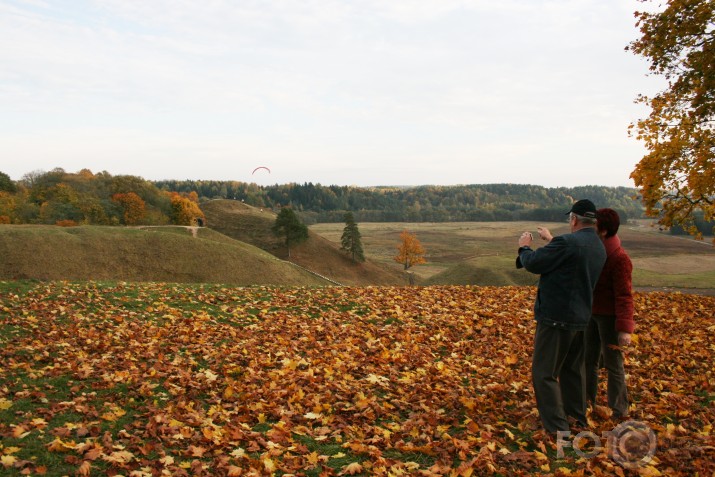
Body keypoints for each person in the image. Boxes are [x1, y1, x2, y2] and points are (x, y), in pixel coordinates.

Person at [516, 199, 606, 434]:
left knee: (544, 373)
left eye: (570, 219)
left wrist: (524, 247)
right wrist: (551, 239)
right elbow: (570, 254)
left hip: (556, 317)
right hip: (581, 318)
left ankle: (557, 428)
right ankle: (577, 418)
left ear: (574, 219)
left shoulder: (568, 242)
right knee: (572, 370)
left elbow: (534, 263)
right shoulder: (597, 245)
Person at [585, 208, 634, 419]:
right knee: (589, 360)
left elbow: (624, 295)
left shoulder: (620, 258)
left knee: (613, 365)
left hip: (609, 318)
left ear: (603, 231)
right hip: (590, 314)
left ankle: (619, 409)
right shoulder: (594, 249)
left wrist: (624, 328)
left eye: (594, 224)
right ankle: (587, 402)